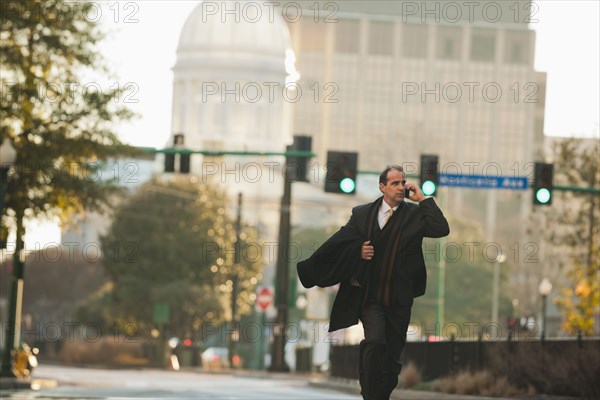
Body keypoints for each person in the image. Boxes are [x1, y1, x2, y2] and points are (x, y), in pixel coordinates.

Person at [297, 165, 450, 400]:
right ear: (382, 187)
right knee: (375, 341)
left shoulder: (414, 215)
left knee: (391, 357)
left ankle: (380, 395)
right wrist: (357, 251)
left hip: (399, 298)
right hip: (370, 297)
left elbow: (441, 229)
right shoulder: (362, 214)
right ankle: (369, 394)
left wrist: (423, 199)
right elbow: (340, 241)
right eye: (395, 183)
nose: (401, 187)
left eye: (403, 182)